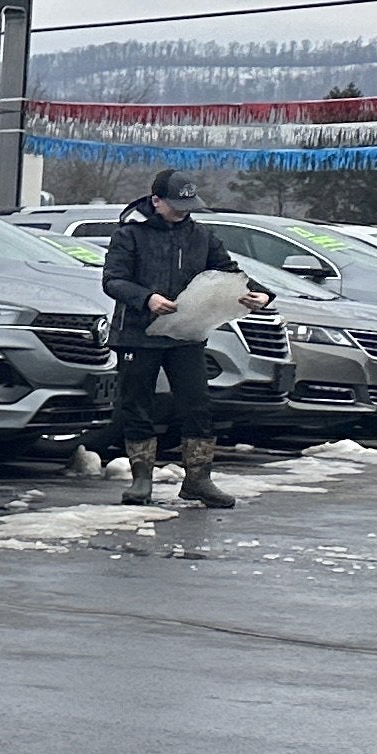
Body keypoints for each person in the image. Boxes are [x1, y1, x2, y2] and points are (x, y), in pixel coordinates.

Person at [101, 167, 249, 507]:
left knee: (198, 404)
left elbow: (228, 272)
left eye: (189, 205)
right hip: (137, 334)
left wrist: (256, 293)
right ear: (156, 200)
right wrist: (147, 298)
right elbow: (112, 280)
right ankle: (141, 480)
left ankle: (198, 479)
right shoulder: (130, 234)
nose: (184, 212)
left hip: (187, 333)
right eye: (176, 205)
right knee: (137, 405)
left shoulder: (201, 236)